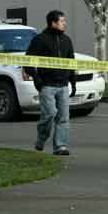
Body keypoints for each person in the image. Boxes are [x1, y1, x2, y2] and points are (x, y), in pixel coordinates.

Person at [24, 10, 77, 156]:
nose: (64, 23)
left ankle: (60, 147)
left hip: (63, 85)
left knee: (63, 117)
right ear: (53, 23)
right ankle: (41, 139)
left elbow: (71, 62)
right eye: (62, 21)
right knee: (49, 114)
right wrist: (37, 79)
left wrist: (73, 82)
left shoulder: (67, 40)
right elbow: (27, 62)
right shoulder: (39, 40)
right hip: (47, 85)